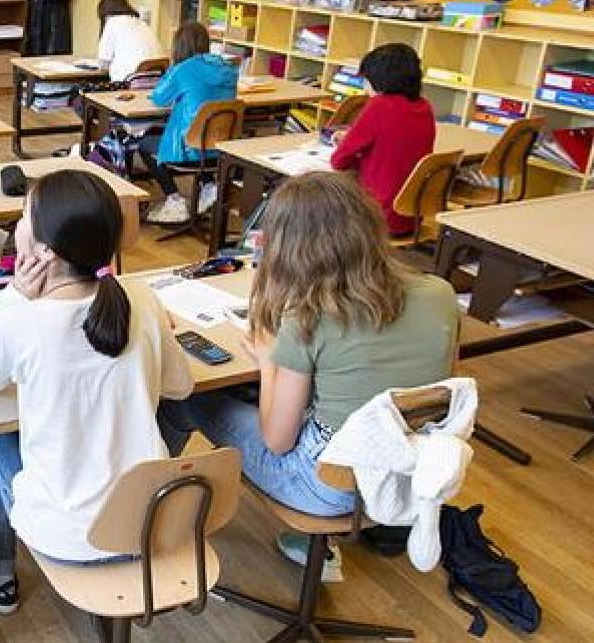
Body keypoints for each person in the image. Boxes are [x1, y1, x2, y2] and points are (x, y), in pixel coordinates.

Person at [158, 171, 459, 572]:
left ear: (289, 248)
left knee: (189, 398)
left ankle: (150, 515)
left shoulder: (309, 317)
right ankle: (316, 544)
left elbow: (277, 442)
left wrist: (268, 363)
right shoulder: (441, 294)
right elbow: (434, 389)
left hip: (326, 487)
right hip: (407, 474)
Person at [0, 169, 192, 614]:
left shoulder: (23, 318)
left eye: (25, 215)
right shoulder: (140, 297)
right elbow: (181, 387)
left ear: (45, 249)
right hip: (148, 519)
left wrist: (14, 298)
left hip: (69, 535)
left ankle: (1, 575)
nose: (18, 224)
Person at [331, 43, 436, 237]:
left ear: (379, 81)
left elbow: (338, 161)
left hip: (377, 215)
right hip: (411, 215)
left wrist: (347, 145)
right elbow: (395, 145)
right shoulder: (425, 107)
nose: (364, 87)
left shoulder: (379, 106)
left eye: (366, 80)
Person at [140, 21, 238, 225]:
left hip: (188, 148)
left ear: (179, 46)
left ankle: (173, 198)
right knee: (200, 139)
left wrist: (172, 69)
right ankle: (209, 185)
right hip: (220, 147)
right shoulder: (228, 69)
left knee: (145, 144)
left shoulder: (183, 70)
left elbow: (159, 97)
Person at [96, 0, 164, 82]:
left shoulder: (112, 22)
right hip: (157, 82)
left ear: (104, 13)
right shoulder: (142, 23)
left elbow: (103, 64)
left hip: (130, 82)